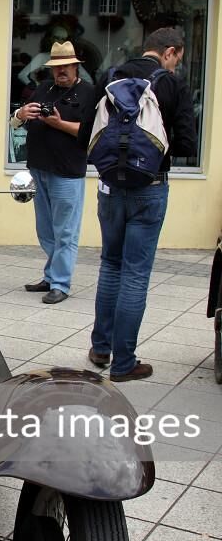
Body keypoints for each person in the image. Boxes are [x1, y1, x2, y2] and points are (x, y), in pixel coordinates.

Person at [79, 27, 197, 381]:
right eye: (178, 57)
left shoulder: (110, 76)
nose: (177, 64)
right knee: (135, 274)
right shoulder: (171, 85)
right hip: (150, 188)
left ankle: (101, 348)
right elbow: (189, 144)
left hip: (110, 187)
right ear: (170, 52)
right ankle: (125, 362)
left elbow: (88, 132)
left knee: (110, 265)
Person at [10, 40, 96, 304]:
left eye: (66, 67)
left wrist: (59, 124)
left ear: (76, 67)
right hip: (39, 168)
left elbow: (91, 133)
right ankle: (50, 276)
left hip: (67, 172)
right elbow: (15, 123)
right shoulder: (43, 88)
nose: (61, 72)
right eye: (57, 67)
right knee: (46, 230)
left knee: (66, 232)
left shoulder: (89, 93)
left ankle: (60, 283)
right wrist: (21, 113)